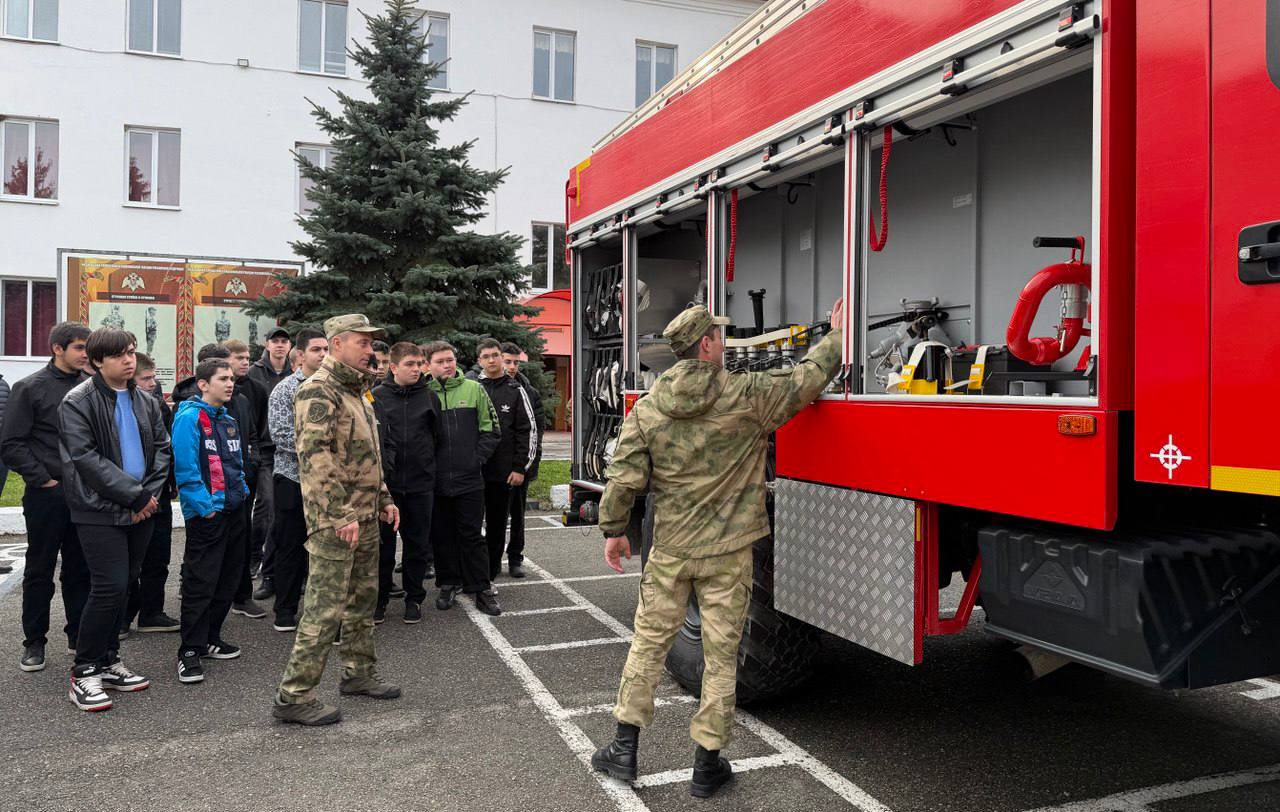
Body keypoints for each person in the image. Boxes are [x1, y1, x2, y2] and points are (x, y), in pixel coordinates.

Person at [590, 301, 844, 798]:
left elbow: (623, 477)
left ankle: (623, 748)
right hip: (728, 551)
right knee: (722, 654)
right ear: (706, 345)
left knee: (648, 645)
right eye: (719, 337)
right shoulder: (746, 395)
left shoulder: (648, 406)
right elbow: (807, 380)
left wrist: (614, 529)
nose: (725, 344)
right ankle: (707, 764)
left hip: (671, 551)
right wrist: (835, 336)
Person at [272, 314, 401, 726]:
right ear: (338, 344)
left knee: (363, 602)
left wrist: (383, 498)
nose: (371, 351)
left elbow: (366, 455)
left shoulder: (357, 391)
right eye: (363, 343)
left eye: (372, 344)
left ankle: (358, 674)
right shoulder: (318, 390)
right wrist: (337, 513)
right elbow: (315, 458)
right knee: (324, 609)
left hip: (364, 515)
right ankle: (294, 695)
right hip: (336, 520)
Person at [60, 327, 171, 712]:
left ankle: (109, 660)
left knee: (125, 587)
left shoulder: (146, 399)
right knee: (107, 588)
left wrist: (150, 497)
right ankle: (84, 670)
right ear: (97, 362)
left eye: (131, 352)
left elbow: (161, 448)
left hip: (143, 508)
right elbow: (86, 459)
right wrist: (135, 495)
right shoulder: (78, 401)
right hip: (98, 510)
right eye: (119, 355)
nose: (128, 360)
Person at [3, 322, 92, 672]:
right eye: (79, 347)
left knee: (80, 568)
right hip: (47, 494)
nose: (86, 354)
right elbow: (11, 443)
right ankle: (34, 642)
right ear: (58, 348)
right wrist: (44, 481)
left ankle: (78, 636)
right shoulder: (29, 388)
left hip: (84, 492)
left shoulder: (89, 388)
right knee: (40, 569)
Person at [172, 359, 250, 684]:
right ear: (204, 384)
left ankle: (211, 638)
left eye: (232, 378)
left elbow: (237, 463)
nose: (230, 384)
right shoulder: (189, 417)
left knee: (227, 581)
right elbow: (186, 469)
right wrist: (206, 508)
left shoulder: (229, 419)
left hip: (236, 510)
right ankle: (189, 650)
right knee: (201, 581)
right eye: (223, 379)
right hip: (208, 516)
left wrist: (243, 493)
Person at [423, 341, 501, 616]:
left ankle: (481, 588)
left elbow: (491, 429)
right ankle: (448, 583)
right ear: (428, 365)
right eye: (441, 361)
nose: (447, 365)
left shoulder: (474, 389)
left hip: (469, 479)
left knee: (472, 535)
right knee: (442, 535)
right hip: (436, 481)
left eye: (451, 359)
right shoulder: (423, 392)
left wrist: (475, 460)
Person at [371, 342, 440, 624]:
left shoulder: (430, 398)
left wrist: (427, 469)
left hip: (420, 484)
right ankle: (380, 601)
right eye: (410, 364)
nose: (417, 369)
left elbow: (437, 438)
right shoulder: (376, 397)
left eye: (419, 363)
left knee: (417, 546)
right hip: (387, 487)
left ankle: (414, 598)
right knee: (382, 549)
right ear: (394, 367)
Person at [268, 328, 327, 632]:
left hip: (329, 482)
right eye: (317, 349)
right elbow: (280, 434)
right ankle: (285, 609)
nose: (323, 354)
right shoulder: (285, 389)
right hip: (293, 478)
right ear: (301, 355)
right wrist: (323, 451)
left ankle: (320, 611)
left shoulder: (336, 387)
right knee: (291, 545)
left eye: (326, 349)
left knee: (325, 548)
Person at [468, 339, 536, 582]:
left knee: (497, 527)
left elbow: (527, 431)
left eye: (495, 355)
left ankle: (490, 576)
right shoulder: (471, 388)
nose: (492, 360)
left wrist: (520, 468)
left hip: (503, 473)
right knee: (470, 527)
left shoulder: (516, 390)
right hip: (472, 472)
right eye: (486, 356)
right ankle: (469, 574)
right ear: (479, 361)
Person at [123, 353, 180, 635]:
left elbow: (165, 450)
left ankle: (152, 612)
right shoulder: (121, 406)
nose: (152, 383)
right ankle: (123, 616)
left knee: (159, 555)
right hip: (131, 495)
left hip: (159, 493)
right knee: (130, 561)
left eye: (154, 378)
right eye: (146, 379)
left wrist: (164, 486)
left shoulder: (158, 405)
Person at [222, 340, 270, 619]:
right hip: (215, 480)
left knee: (241, 533)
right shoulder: (203, 396)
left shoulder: (252, 392)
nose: (245, 362)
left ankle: (242, 596)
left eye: (247, 358)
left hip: (243, 474)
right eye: (238, 357)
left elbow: (256, 430)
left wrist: (251, 461)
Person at [247, 327, 293, 598]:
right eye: (275, 341)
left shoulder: (293, 373)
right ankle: (256, 556)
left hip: (286, 450)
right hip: (264, 450)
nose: (279, 345)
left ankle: (274, 568)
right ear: (266, 345)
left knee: (281, 512)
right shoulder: (255, 373)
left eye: (284, 341)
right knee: (266, 504)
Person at [501, 342, 546, 578]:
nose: (511, 366)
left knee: (517, 515)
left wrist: (530, 467)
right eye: (507, 361)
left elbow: (536, 433)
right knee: (491, 515)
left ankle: (515, 558)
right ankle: (490, 558)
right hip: (493, 466)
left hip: (520, 466)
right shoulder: (482, 386)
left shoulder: (529, 391)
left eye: (515, 362)